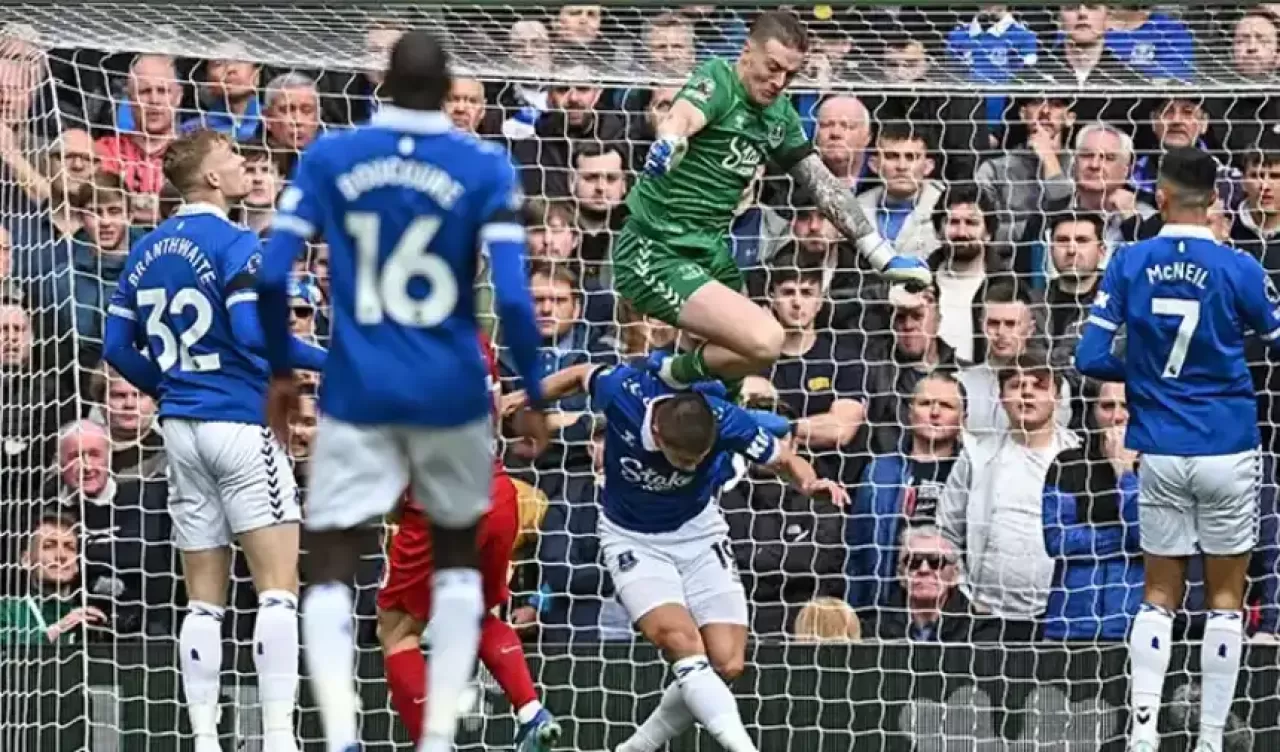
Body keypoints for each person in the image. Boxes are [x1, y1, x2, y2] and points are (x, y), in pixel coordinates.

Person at [254, 31, 549, 752]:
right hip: (448, 390)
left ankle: (344, 734)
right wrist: (535, 391)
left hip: (361, 383)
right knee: (456, 576)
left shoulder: (331, 155)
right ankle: (440, 736)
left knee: (327, 568)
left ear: (383, 83)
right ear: (450, 92)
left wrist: (283, 375)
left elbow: (271, 277)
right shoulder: (484, 162)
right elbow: (513, 298)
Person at [101, 129, 327, 752]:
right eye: (234, 161)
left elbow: (116, 348)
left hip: (180, 430)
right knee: (277, 588)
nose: (246, 169)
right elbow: (255, 338)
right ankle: (279, 737)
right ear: (209, 179)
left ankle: (204, 739)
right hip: (239, 422)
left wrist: (171, 388)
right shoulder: (235, 243)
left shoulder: (146, 249)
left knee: (204, 601)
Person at [505, 361, 848, 752]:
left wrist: (810, 481)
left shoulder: (726, 419)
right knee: (681, 642)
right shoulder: (624, 394)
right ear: (656, 431)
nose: (692, 466)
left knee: (727, 662)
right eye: (683, 459)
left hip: (699, 532)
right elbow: (580, 374)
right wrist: (526, 395)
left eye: (699, 458)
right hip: (631, 537)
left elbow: (785, 459)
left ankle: (633, 749)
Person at [1075, 147, 1280, 752]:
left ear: (1159, 196)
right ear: (1216, 199)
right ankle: (1211, 742)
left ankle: (1143, 738)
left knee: (1158, 595)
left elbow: (1088, 357)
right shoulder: (1240, 267)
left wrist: (1144, 372)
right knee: (1225, 599)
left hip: (1159, 448)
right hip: (1229, 446)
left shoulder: (1130, 261)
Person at [614, 10, 930, 400]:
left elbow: (822, 185)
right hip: (655, 249)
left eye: (790, 75)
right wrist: (669, 142)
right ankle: (667, 374)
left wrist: (880, 254)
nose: (779, 82)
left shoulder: (779, 115)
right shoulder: (718, 80)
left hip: (709, 253)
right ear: (747, 51)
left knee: (734, 376)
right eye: (773, 67)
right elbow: (683, 116)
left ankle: (685, 406)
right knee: (766, 339)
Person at [378, 333, 560, 752]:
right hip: (496, 490)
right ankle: (531, 711)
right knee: (476, 611)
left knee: (397, 629)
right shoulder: (476, 339)